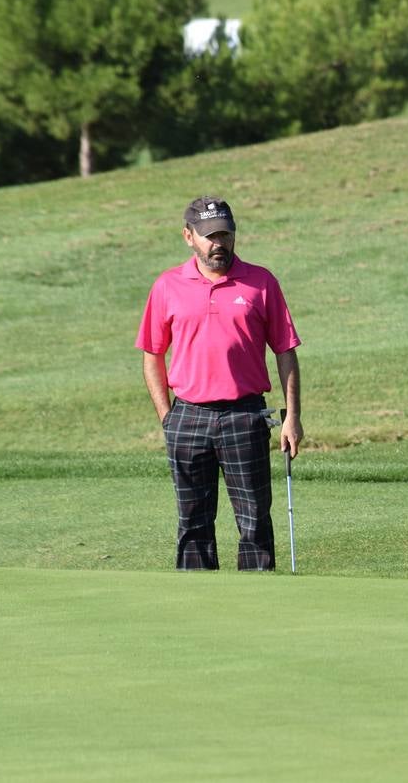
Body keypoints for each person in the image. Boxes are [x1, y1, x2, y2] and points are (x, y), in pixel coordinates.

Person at [137, 197, 303, 571]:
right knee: (193, 524)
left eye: (225, 234)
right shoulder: (168, 286)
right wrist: (168, 417)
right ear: (188, 237)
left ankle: (260, 607)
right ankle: (199, 614)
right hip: (188, 417)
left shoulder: (261, 282)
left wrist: (292, 416)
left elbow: (285, 351)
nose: (219, 243)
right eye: (209, 235)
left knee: (255, 520)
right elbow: (152, 354)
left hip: (245, 415)